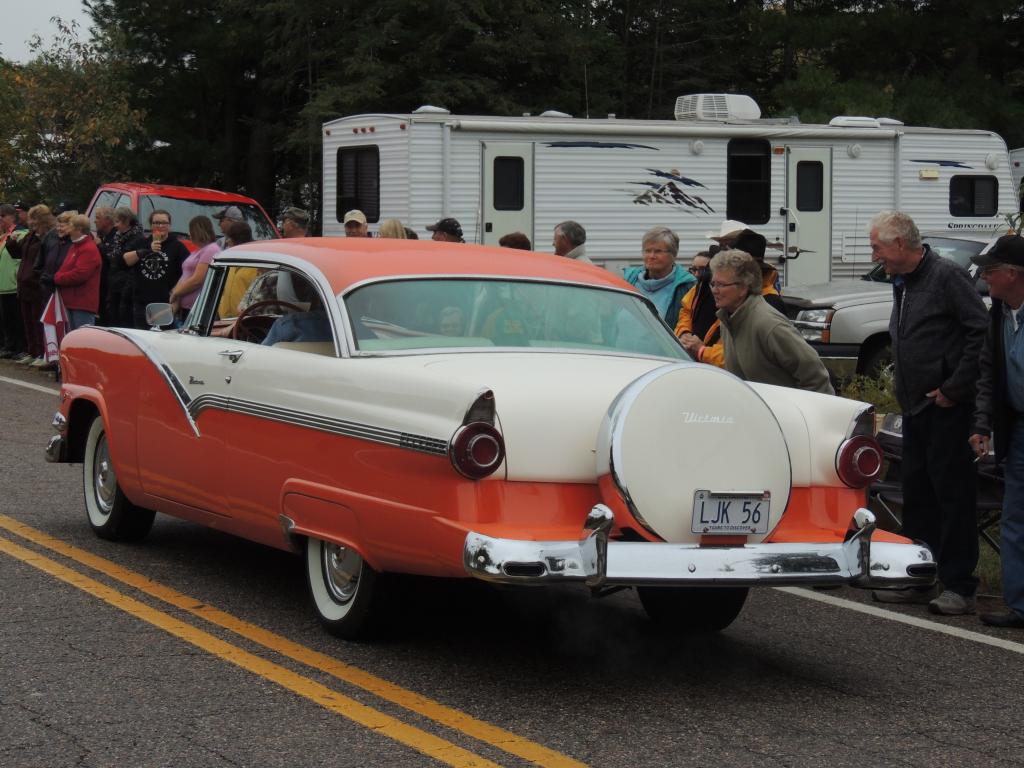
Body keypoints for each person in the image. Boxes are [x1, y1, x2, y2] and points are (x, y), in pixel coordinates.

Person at [868, 210, 987, 615]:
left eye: (877, 247)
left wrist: (955, 387)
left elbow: (980, 330)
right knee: (917, 494)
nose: (874, 255)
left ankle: (960, 585)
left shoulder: (946, 276)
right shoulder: (902, 279)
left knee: (951, 495)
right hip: (915, 408)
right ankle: (919, 576)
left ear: (900, 244)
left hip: (946, 408)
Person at [969, 234, 1024, 628]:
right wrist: (982, 423)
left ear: (1013, 274)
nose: (984, 277)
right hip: (1017, 428)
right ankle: (1019, 605)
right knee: (1014, 516)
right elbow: (989, 372)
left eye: (990, 270)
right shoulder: (999, 314)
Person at [712, 248, 833, 394]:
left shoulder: (769, 324)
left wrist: (796, 407)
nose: (714, 290)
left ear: (743, 288)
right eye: (713, 284)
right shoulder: (728, 320)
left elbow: (816, 378)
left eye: (721, 285)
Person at [121, 210, 189, 329]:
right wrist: (147, 250)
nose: (160, 226)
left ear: (169, 225)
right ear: (151, 225)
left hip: (165, 304)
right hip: (141, 303)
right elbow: (125, 260)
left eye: (164, 223)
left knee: (162, 338)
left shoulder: (177, 246)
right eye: (157, 222)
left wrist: (177, 295)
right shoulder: (142, 243)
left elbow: (188, 273)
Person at [622, 226, 695, 329]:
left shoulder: (687, 286)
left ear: (674, 254)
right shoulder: (628, 280)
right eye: (647, 251)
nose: (651, 256)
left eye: (658, 251)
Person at [6, 205, 53, 365]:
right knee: (28, 321)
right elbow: (18, 254)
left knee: (38, 321)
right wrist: (11, 242)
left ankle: (42, 353)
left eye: (33, 219)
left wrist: (38, 278)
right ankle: (32, 351)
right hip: (24, 284)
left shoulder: (48, 237)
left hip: (36, 285)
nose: (30, 222)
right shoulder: (30, 235)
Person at [53, 214, 103, 331]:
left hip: (82, 304)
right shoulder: (75, 246)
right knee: (71, 337)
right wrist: (58, 276)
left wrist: (56, 278)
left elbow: (80, 274)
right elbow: (64, 269)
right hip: (70, 301)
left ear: (79, 229)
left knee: (82, 337)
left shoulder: (88, 248)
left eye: (70, 227)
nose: (68, 231)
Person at [675, 251, 723, 366]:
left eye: (702, 270)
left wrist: (703, 351)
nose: (696, 274)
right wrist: (684, 332)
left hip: (714, 364)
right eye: (694, 269)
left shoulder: (724, 294)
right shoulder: (697, 289)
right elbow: (685, 312)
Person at [169, 216, 219, 324]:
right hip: (186, 308)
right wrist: (175, 293)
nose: (189, 234)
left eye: (190, 231)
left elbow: (197, 280)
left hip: (198, 310)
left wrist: (176, 293)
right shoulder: (199, 250)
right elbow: (185, 275)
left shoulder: (211, 250)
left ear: (197, 232)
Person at [106, 207, 145, 327]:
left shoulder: (137, 238)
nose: (115, 225)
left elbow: (121, 260)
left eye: (117, 221)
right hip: (115, 283)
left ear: (126, 221)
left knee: (124, 318)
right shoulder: (118, 236)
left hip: (127, 285)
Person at [0, 204, 27, 359]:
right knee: (7, 319)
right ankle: (9, 346)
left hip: (14, 284)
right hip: (3, 285)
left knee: (17, 319)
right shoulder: (4, 236)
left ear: (12, 216)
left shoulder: (21, 233)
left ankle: (20, 347)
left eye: (3, 216)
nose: (0, 219)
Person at [217, 221, 260, 318]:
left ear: (237, 240)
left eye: (229, 238)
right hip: (224, 319)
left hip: (244, 320)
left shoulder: (257, 264)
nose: (227, 241)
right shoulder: (229, 259)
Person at [92, 206, 117, 325]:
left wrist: (100, 246)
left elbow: (113, 257)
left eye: (98, 218)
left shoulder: (117, 237)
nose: (94, 221)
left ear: (107, 220)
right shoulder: (101, 235)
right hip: (99, 285)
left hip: (110, 287)